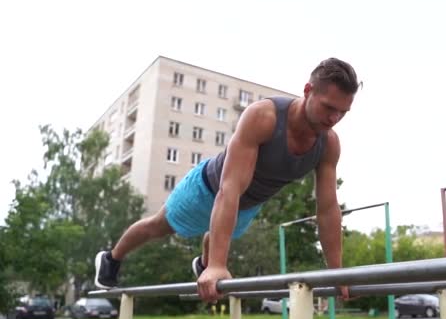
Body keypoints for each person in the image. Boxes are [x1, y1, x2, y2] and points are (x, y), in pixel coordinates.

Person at [94, 57, 360, 303]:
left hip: (247, 205)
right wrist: (218, 265)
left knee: (218, 236)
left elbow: (327, 209)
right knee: (158, 226)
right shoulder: (263, 117)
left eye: (342, 112)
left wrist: (336, 272)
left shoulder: (329, 145)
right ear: (307, 90)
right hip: (208, 188)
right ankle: (111, 258)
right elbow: (229, 188)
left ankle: (205, 262)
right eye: (328, 107)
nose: (334, 119)